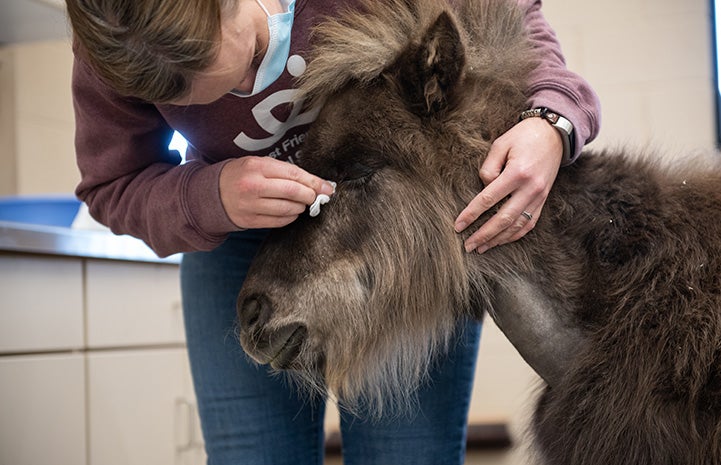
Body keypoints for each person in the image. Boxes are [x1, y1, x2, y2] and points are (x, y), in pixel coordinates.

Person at [66, 0, 601, 463]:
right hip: (240, 236)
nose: (248, 89)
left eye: (249, 57)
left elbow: (508, 14)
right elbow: (112, 186)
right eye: (184, 101)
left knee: (409, 454)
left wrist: (551, 118)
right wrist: (211, 195)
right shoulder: (114, 38)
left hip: (395, 224)